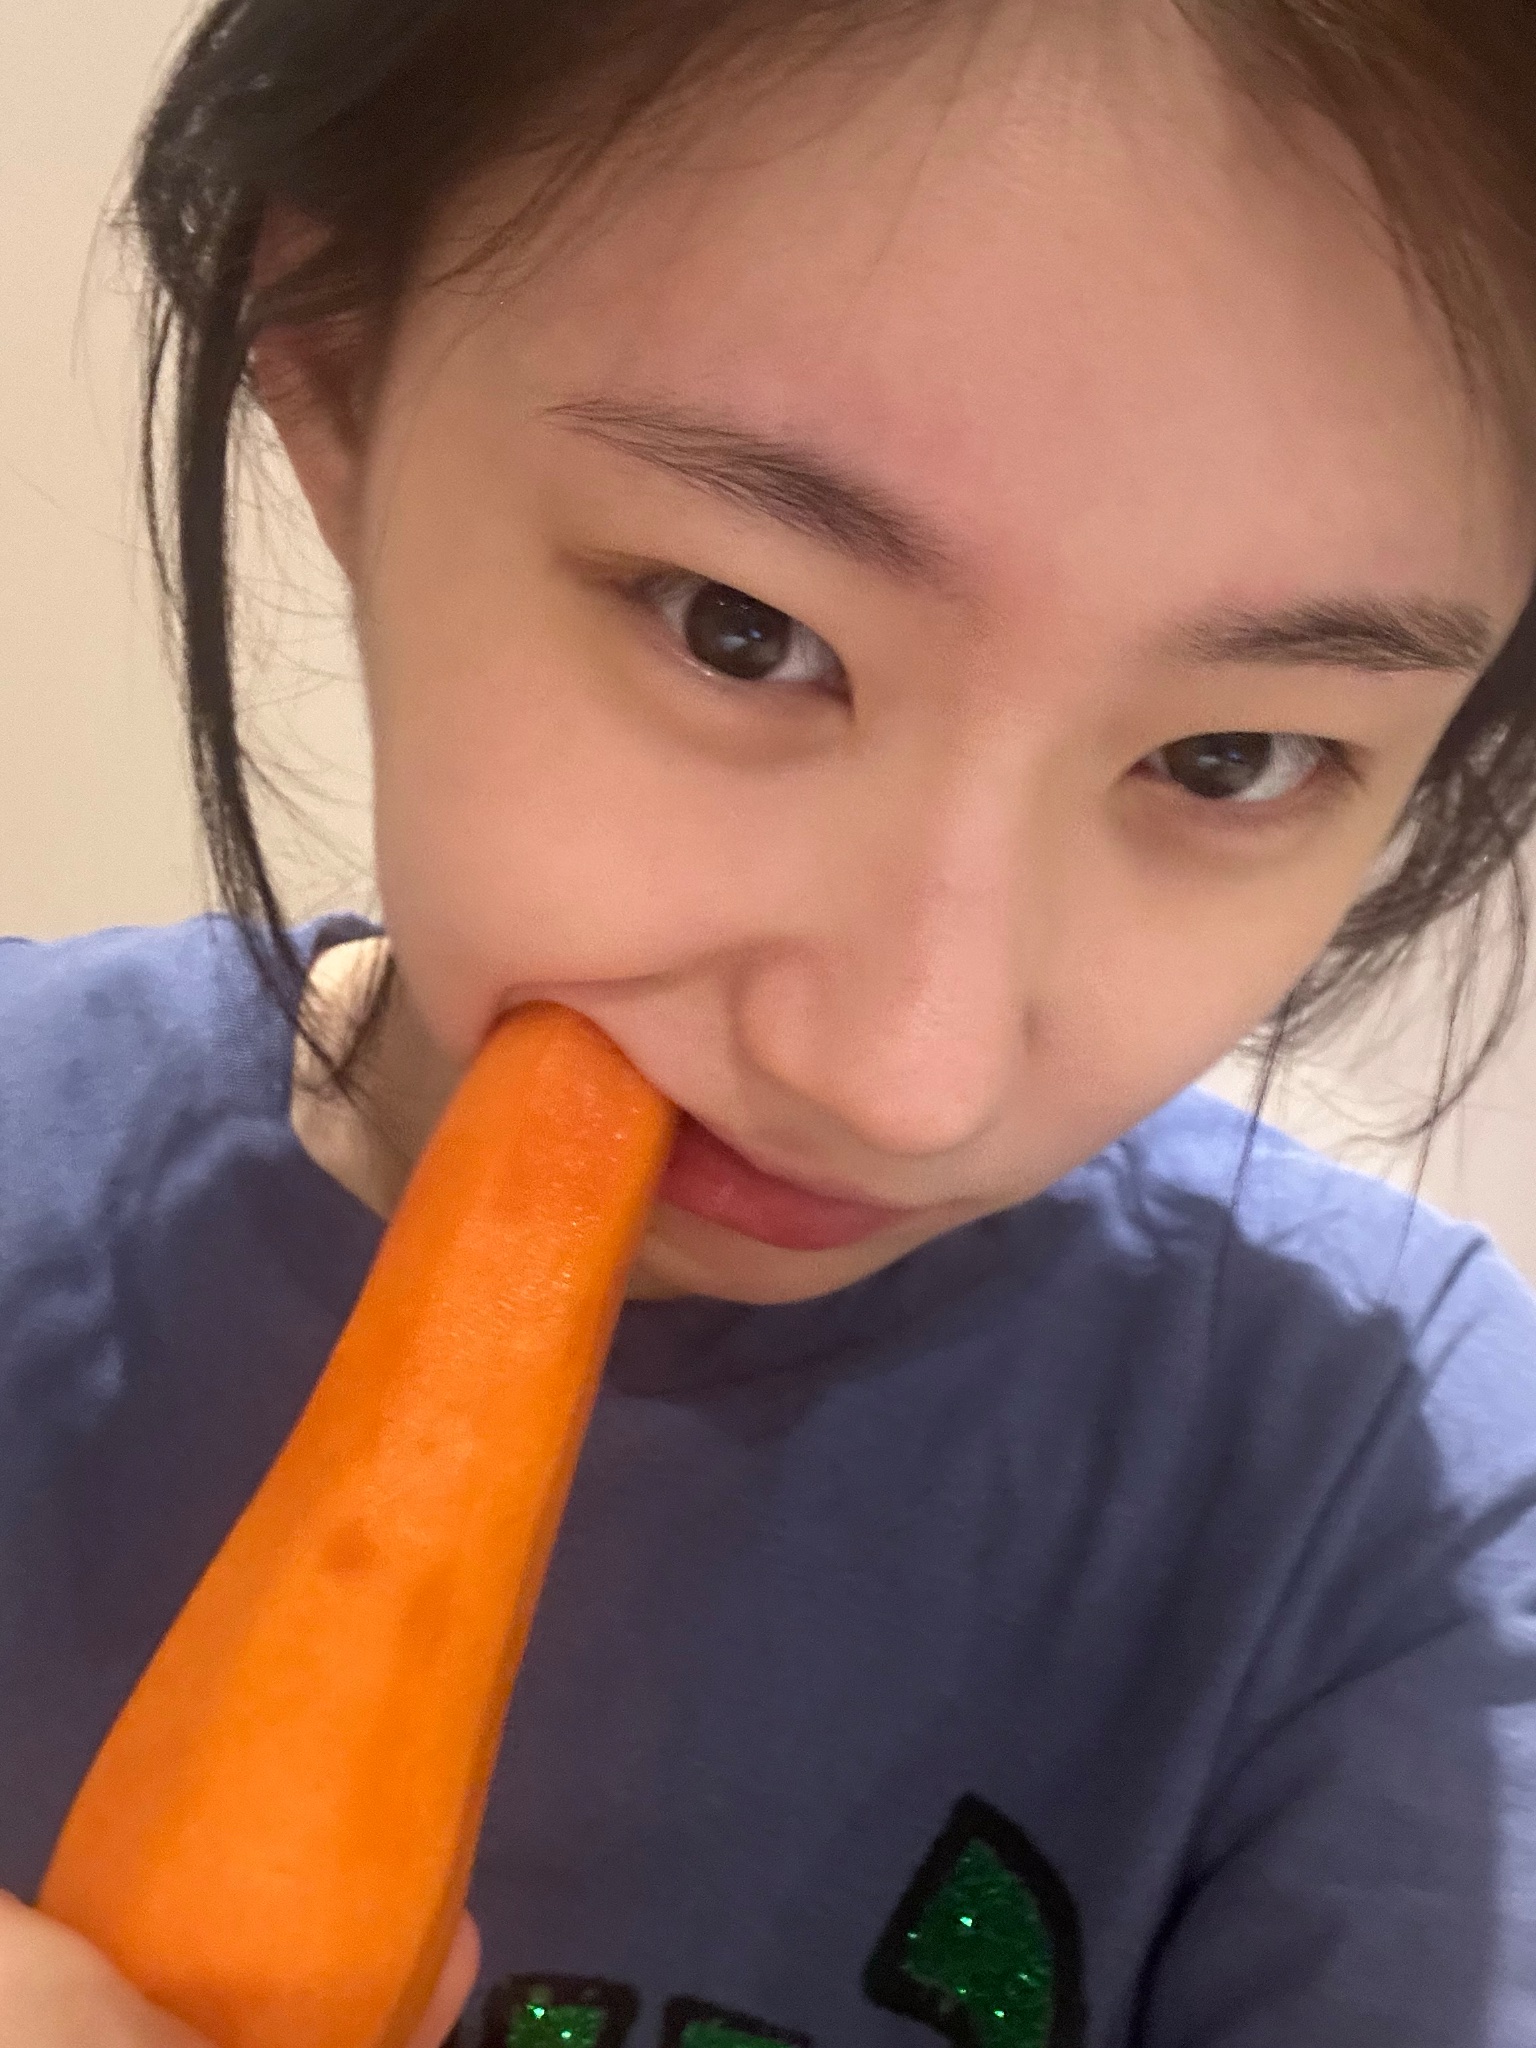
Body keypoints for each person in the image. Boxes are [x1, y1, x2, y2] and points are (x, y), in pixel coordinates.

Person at [4, 1, 1536, 2043]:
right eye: (744, 631)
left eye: (1232, 758)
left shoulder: (1397, 1510)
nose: (905, 1078)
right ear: (340, 371)